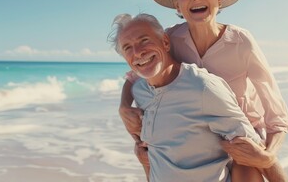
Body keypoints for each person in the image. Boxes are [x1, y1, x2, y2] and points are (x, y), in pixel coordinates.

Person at [119, 0, 288, 181]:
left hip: (241, 138)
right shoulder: (171, 37)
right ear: (177, 4)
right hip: (200, 137)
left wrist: (268, 157)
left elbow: (277, 118)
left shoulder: (241, 41)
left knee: (246, 168)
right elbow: (135, 75)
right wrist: (123, 107)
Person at [109, 13, 264, 181]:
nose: (137, 52)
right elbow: (152, 152)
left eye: (144, 40)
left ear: (165, 42)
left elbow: (252, 150)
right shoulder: (139, 91)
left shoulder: (202, 86)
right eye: (127, 48)